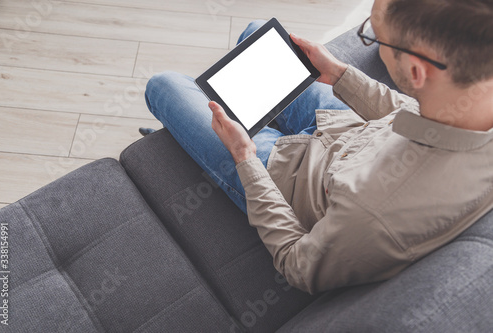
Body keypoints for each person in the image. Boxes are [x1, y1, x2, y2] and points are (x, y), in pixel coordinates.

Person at [145, 0, 493, 294]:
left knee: (164, 86)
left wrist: (244, 156)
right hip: (349, 129)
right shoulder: (473, 104)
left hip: (290, 179)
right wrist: (341, 74)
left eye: (375, 37)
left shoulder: (372, 212)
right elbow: (414, 111)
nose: (374, 44)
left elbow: (297, 263)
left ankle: (194, 134)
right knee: (259, 33)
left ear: (417, 71)